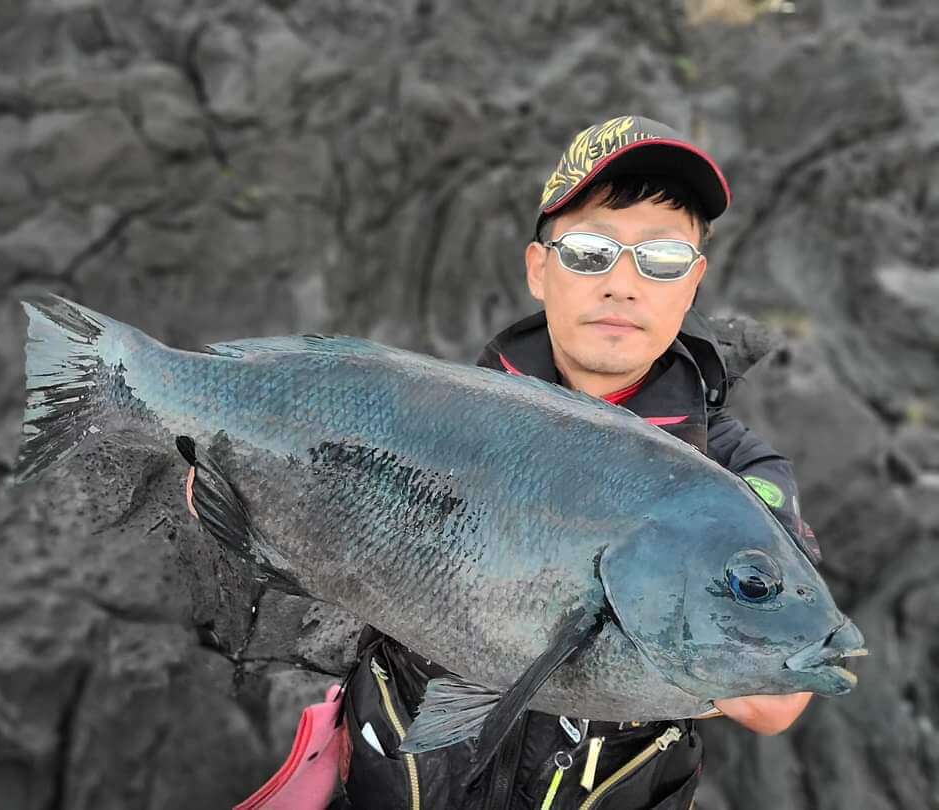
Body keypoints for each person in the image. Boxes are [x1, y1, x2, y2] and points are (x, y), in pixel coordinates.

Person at [188, 115, 823, 810]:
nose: (622, 283)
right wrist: (256, 508)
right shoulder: (439, 414)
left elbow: (779, 699)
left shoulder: (732, 474)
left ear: (693, 283)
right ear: (539, 270)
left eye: (662, 259)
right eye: (588, 252)